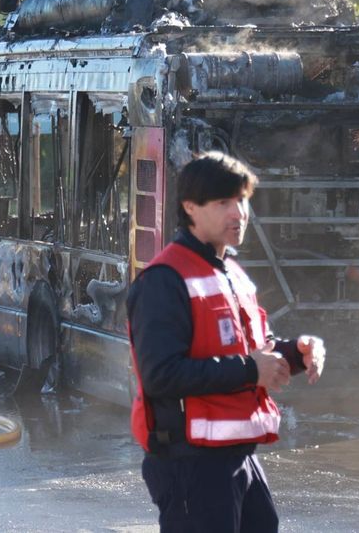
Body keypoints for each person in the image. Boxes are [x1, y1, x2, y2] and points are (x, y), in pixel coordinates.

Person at [128, 152, 327, 533]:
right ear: (190, 208)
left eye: (242, 200)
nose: (239, 213)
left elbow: (252, 349)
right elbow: (161, 376)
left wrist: (294, 354)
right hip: (190, 465)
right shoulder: (164, 280)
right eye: (224, 202)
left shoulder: (231, 272)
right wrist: (253, 370)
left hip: (236, 459)